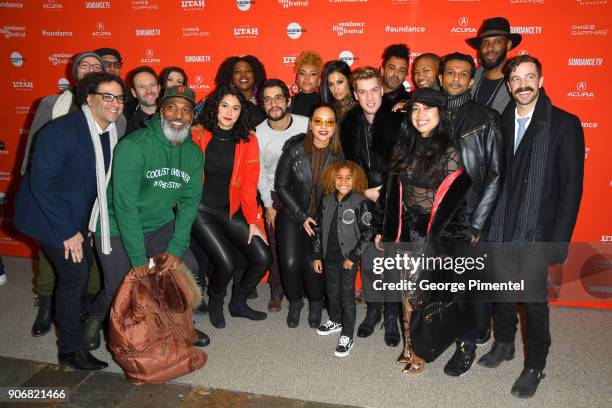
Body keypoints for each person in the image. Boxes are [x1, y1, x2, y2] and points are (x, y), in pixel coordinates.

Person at [478, 55, 584, 398]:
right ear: (508, 85)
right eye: (516, 79)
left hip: (537, 229)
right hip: (500, 225)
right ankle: (505, 343)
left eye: (529, 77)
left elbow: (571, 187)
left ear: (540, 80)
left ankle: (535, 364)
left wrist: (559, 240)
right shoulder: (500, 121)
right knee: (502, 292)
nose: (522, 84)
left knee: (535, 303)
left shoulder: (565, 124)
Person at [14, 72, 127, 370]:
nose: (114, 103)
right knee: (76, 273)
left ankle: (71, 319)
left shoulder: (109, 134)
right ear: (88, 98)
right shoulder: (62, 131)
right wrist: (67, 231)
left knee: (81, 269)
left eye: (119, 98)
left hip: (74, 213)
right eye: (107, 96)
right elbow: (41, 183)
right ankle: (70, 350)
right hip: (46, 215)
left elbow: (97, 186)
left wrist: (89, 226)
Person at [85, 85, 209, 350]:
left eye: (186, 109)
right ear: (161, 111)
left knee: (186, 268)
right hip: (116, 225)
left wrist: (176, 247)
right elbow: (124, 206)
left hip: (159, 223)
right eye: (172, 107)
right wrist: (138, 257)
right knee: (120, 282)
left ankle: (180, 323)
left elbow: (189, 203)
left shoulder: (194, 154)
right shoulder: (133, 146)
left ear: (192, 116)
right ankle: (94, 317)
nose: (178, 114)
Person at [373, 88, 469, 374]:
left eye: (427, 109)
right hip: (406, 229)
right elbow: (392, 194)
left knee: (423, 296)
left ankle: (422, 351)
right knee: (406, 292)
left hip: (433, 235)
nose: (420, 115)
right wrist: (384, 229)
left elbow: (456, 205)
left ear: (440, 114)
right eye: (415, 109)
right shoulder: (404, 146)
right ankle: (409, 349)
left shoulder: (451, 152)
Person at [438, 52, 503, 377]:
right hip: (438, 217)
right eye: (450, 73)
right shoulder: (428, 114)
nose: (455, 79)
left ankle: (467, 346)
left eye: (462, 74)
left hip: (470, 215)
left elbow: (494, 173)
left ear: (471, 80)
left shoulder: (486, 117)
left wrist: (478, 221)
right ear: (440, 77)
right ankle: (464, 330)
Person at [191, 86, 272, 329]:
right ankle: (217, 301)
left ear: (241, 113)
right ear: (215, 106)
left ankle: (238, 303)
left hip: (230, 209)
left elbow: (249, 186)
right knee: (225, 263)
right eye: (224, 105)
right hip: (200, 209)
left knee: (263, 256)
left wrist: (252, 221)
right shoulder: (196, 135)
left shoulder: (248, 140)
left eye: (235, 108)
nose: (229, 112)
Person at [339, 66, 401, 346]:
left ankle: (391, 319)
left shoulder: (400, 118)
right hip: (364, 202)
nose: (370, 98)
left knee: (392, 263)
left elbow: (409, 167)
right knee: (369, 262)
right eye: (362, 92)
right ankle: (373, 312)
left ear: (381, 88)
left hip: (395, 201)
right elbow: (346, 166)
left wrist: (385, 194)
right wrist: (363, 190)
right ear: (355, 94)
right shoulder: (349, 121)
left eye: (374, 90)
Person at [275, 103, 344, 328]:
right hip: (293, 214)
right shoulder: (294, 150)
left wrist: (319, 222)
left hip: (322, 218)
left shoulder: (340, 157)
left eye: (329, 122)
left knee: (313, 264)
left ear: (334, 127)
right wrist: (302, 216)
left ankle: (315, 303)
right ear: (310, 124)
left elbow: (339, 196)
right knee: (290, 262)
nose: (323, 127)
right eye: (318, 121)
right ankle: (295, 303)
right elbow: (281, 185)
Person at [256, 79, 309, 312]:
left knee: (310, 243)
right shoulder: (257, 134)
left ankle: (309, 288)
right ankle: (277, 290)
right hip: (275, 196)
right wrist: (268, 205)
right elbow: (260, 172)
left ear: (288, 100)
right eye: (267, 99)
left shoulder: (306, 124)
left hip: (306, 193)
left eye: (278, 98)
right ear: (262, 104)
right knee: (278, 245)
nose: (273, 104)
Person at [312, 160, 372, 357]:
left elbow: (367, 233)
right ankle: (336, 320)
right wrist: (316, 255)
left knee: (347, 297)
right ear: (332, 178)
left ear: (356, 180)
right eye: (339, 177)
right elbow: (319, 230)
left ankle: (347, 334)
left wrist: (353, 257)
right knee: (331, 293)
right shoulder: (326, 200)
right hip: (329, 258)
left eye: (348, 177)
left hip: (348, 260)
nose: (343, 181)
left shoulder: (360, 202)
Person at [468, 17, 522, 114]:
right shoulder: (470, 77)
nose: (490, 48)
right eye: (485, 43)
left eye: (497, 41)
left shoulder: (520, 81)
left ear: (508, 45)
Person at [214, 55, 267, 127]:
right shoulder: (218, 99)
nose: (243, 75)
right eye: (237, 72)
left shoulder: (265, 99)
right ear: (230, 76)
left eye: (248, 71)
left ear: (255, 74)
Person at [124, 66, 160, 135]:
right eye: (142, 87)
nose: (149, 91)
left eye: (152, 85)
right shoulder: (125, 125)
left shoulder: (174, 118)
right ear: (134, 92)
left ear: (159, 88)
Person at [290, 50, 323, 117]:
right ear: (297, 80)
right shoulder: (288, 103)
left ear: (319, 81)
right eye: (302, 73)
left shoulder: (326, 102)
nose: (307, 78)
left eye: (312, 74)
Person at [380, 44, 410, 110]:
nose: (396, 74)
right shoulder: (368, 97)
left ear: (405, 76)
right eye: (392, 68)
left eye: (401, 71)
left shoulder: (410, 102)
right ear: (382, 70)